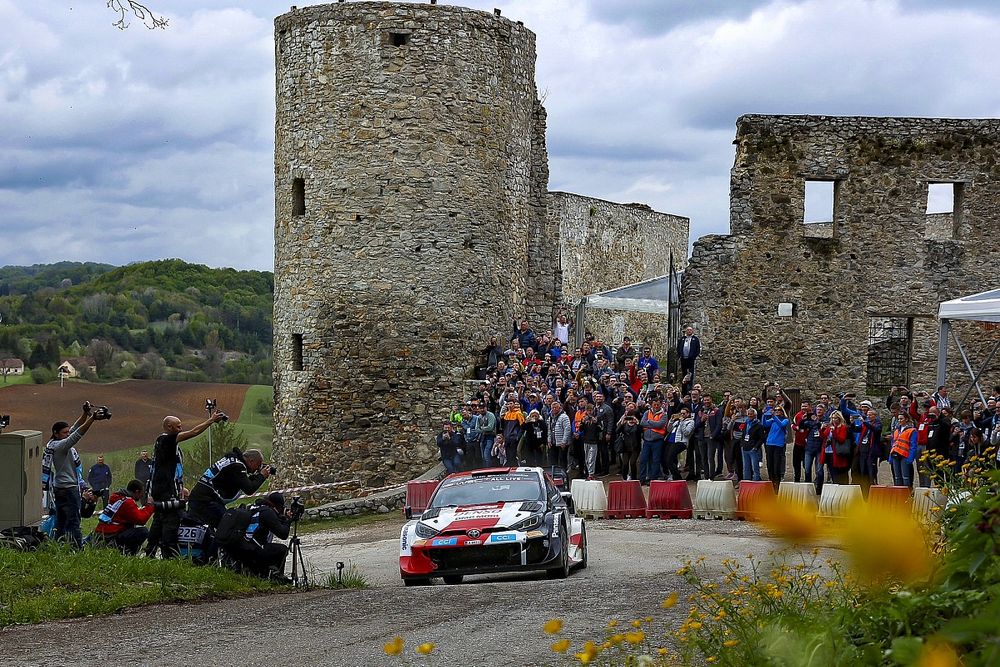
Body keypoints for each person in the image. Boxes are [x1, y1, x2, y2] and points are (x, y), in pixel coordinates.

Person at [146, 411, 227, 559]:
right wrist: (210, 420)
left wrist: (179, 487)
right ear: (169, 427)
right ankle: (168, 557)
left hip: (164, 491)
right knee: (170, 526)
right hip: (167, 494)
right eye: (178, 427)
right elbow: (194, 432)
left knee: (158, 522)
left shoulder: (165, 446)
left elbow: (170, 471)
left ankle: (150, 553)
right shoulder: (166, 440)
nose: (180, 429)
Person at [46, 402, 107, 547]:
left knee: (61, 521)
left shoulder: (53, 443)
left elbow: (74, 429)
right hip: (68, 490)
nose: (68, 434)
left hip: (59, 488)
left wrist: (85, 414)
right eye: (64, 432)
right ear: (55, 433)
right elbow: (77, 435)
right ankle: (77, 548)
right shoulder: (61, 446)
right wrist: (92, 419)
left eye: (67, 432)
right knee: (74, 521)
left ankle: (58, 545)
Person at [187, 447, 271, 528]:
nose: (258, 469)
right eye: (258, 465)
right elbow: (249, 489)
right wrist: (262, 476)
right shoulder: (237, 466)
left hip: (202, 498)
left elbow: (243, 482)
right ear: (251, 461)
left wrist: (257, 476)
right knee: (228, 527)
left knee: (213, 529)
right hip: (206, 501)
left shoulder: (232, 461)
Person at [220, 492, 293, 581]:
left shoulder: (254, 508)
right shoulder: (268, 512)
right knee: (282, 550)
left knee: (268, 548)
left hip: (241, 548)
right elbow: (283, 534)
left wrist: (281, 518)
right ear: (277, 506)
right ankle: (276, 577)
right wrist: (288, 520)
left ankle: (263, 573)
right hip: (252, 550)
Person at [91, 479, 155, 555]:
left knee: (130, 526)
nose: (142, 496)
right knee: (142, 531)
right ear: (137, 492)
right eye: (141, 493)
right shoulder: (127, 502)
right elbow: (141, 520)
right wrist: (150, 506)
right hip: (110, 536)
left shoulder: (116, 497)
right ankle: (127, 553)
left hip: (102, 534)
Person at [639, 395, 669, 485]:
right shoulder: (647, 412)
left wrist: (649, 422)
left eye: (658, 405)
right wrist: (653, 424)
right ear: (651, 404)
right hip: (647, 440)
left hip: (658, 440)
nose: (656, 406)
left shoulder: (664, 415)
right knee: (643, 459)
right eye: (654, 404)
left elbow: (660, 425)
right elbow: (642, 422)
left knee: (656, 460)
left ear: (661, 405)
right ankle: (642, 478)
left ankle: (653, 479)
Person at [762, 405, 790, 492]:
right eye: (776, 410)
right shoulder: (773, 420)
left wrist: (773, 416)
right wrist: (764, 415)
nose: (777, 411)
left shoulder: (785, 420)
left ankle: (777, 482)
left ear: (782, 412)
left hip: (778, 444)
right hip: (770, 443)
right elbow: (764, 424)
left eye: (779, 410)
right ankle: (771, 480)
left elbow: (781, 425)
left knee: (777, 464)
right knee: (770, 463)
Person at [889, 412, 918, 488]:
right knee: (897, 477)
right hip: (895, 454)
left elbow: (913, 445)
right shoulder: (896, 431)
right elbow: (893, 444)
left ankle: (907, 495)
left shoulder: (912, 430)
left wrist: (911, 457)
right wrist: (890, 456)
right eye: (898, 419)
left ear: (906, 419)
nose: (899, 420)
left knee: (905, 477)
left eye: (901, 419)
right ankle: (898, 495)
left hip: (905, 455)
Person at [740, 408, 765, 481]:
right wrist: (742, 444)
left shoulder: (759, 425)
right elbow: (743, 434)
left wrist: (756, 447)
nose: (750, 416)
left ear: (755, 415)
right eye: (748, 414)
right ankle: (746, 482)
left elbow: (761, 438)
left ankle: (756, 482)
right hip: (745, 447)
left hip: (753, 448)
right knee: (746, 467)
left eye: (751, 414)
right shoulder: (746, 423)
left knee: (755, 467)